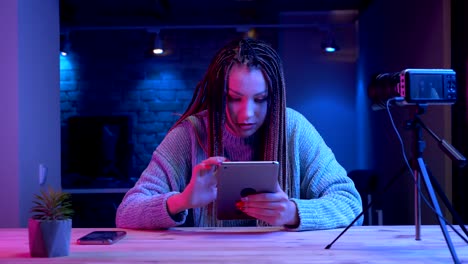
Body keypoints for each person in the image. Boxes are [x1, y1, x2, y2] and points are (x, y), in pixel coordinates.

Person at [116, 37, 363, 231]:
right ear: (218, 94)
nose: (246, 114)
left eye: (260, 99)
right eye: (234, 99)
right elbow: (126, 212)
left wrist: (292, 212)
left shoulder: (294, 128)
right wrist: (182, 200)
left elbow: (351, 204)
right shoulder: (189, 134)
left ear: (274, 98)